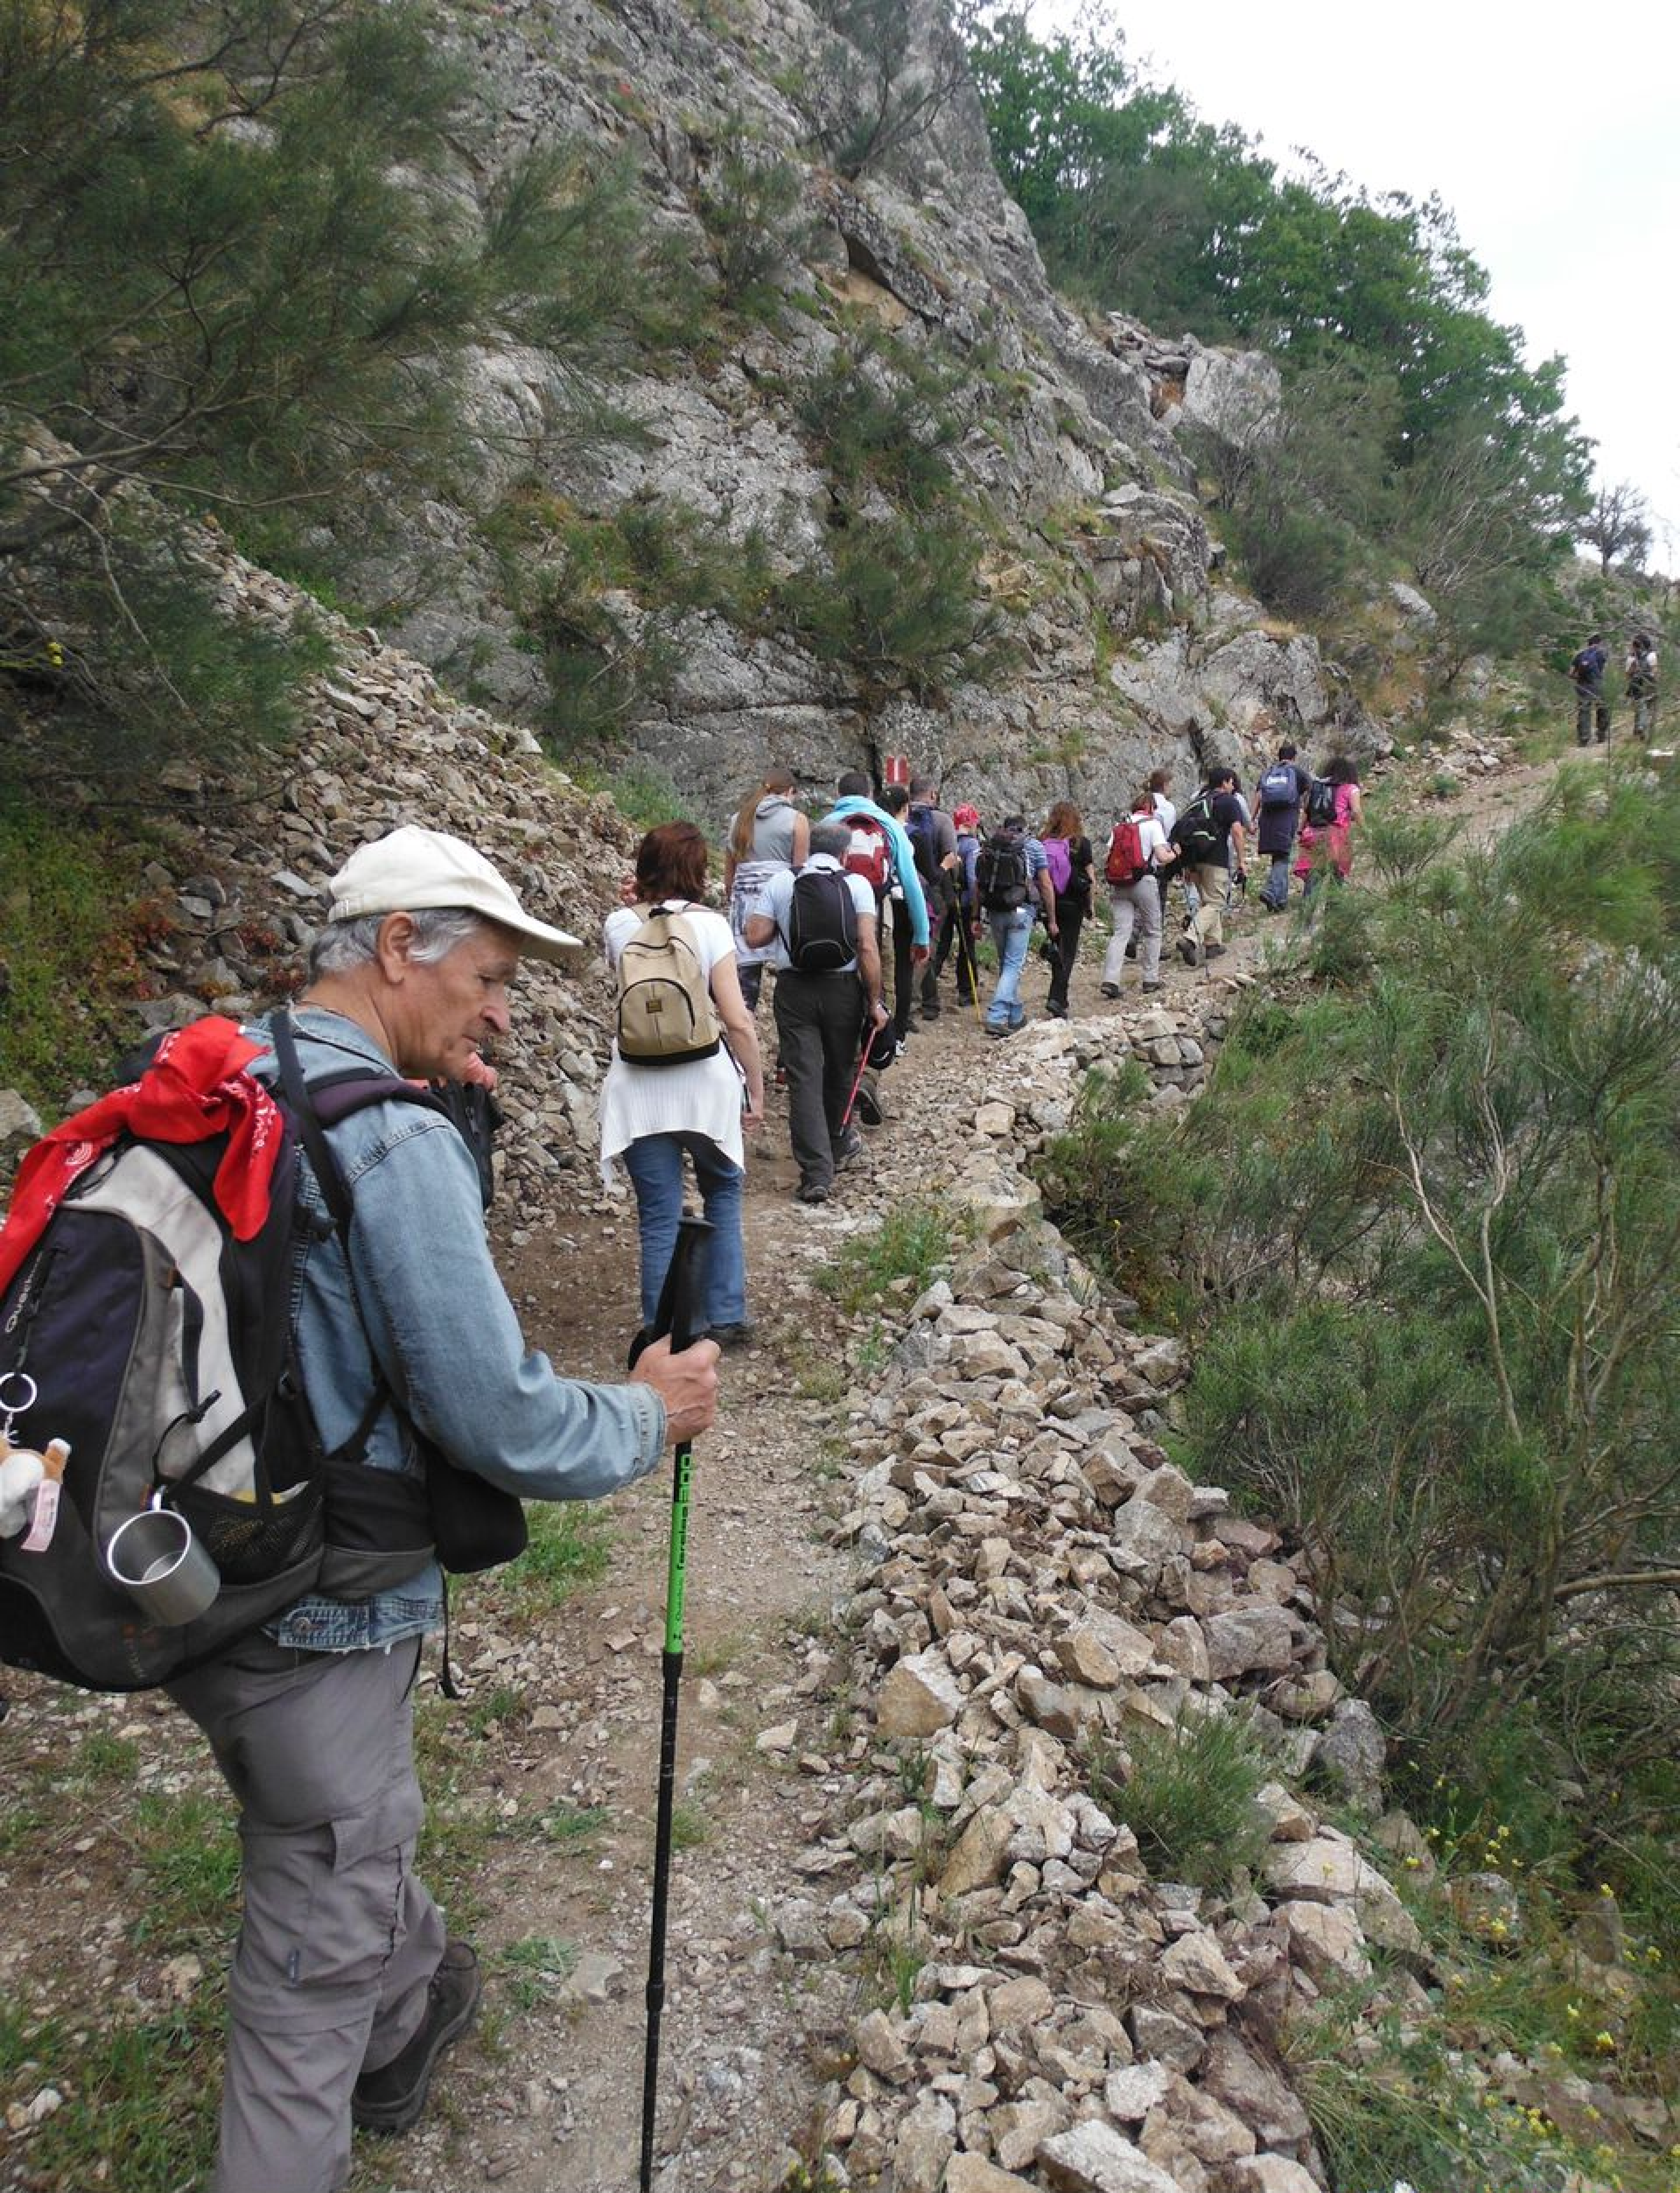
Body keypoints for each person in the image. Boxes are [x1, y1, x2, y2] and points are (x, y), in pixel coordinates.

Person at [165, 824, 718, 2193]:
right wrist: (648, 1411)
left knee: (331, 1823)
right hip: (317, 1601)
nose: (504, 1012)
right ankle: (351, 2043)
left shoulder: (216, 1074)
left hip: (178, 1558)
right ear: (400, 944)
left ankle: (407, 1998)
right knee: (308, 1950)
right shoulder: (388, 1139)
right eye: (488, 976)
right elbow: (499, 1416)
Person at [602, 822, 765, 1351]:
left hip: (636, 1087)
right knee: (722, 1190)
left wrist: (633, 902)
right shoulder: (712, 926)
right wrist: (755, 1086)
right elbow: (736, 1020)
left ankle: (665, 1329)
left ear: (643, 866)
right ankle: (726, 1317)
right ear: (697, 870)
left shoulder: (618, 924)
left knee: (659, 1214)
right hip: (705, 1084)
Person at [743, 821, 887, 1205]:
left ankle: (815, 1174)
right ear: (845, 854)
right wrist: (874, 1002)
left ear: (808, 850)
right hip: (843, 990)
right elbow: (867, 947)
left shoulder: (782, 882)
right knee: (840, 1071)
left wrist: (782, 923)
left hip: (795, 989)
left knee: (804, 1077)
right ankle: (837, 1145)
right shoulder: (858, 886)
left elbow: (755, 936)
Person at [722, 768, 808, 1012]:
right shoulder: (797, 820)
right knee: (787, 965)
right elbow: (799, 870)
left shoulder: (738, 820)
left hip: (744, 902)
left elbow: (730, 875)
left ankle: (744, 1022)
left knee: (746, 979)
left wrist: (734, 899)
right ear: (790, 792)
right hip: (781, 900)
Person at [974, 813, 1056, 1037]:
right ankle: (997, 1016)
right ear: (1024, 828)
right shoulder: (1034, 847)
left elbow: (978, 885)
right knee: (1013, 966)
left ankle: (1016, 1015)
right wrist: (1052, 919)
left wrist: (975, 917)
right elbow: (1046, 884)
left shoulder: (992, 846)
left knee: (1007, 965)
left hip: (995, 911)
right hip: (1022, 911)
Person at [1100, 788, 1171, 995]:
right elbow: (1161, 857)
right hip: (1144, 882)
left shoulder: (1120, 827)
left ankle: (1111, 980)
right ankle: (1150, 979)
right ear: (1150, 808)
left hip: (1120, 883)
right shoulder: (1153, 824)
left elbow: (1108, 855)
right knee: (1153, 930)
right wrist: (1174, 855)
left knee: (1121, 932)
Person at [1172, 767, 1246, 966]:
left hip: (1194, 859)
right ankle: (1190, 938)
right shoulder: (1229, 802)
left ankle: (1213, 944)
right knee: (1217, 903)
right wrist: (1242, 862)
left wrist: (1188, 867)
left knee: (1208, 901)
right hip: (1216, 859)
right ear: (1225, 782)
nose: (1233, 787)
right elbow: (1237, 832)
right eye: (1231, 783)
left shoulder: (1196, 803)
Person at [906, 775, 961, 1020]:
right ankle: (910, 1002)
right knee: (928, 944)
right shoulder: (942, 820)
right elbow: (952, 858)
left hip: (905, 887)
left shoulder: (902, 817)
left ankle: (931, 1001)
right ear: (932, 795)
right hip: (935, 891)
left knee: (912, 941)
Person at [1039, 799, 1095, 1018]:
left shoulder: (1042, 842)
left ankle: (1060, 997)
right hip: (1074, 904)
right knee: (1068, 952)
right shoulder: (1081, 844)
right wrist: (1090, 904)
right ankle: (1057, 998)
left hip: (1050, 903)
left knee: (1056, 948)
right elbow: (1090, 878)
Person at [929, 802, 983, 1009]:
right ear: (970, 824)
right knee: (967, 946)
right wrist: (976, 909)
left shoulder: (946, 840)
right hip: (965, 902)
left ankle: (928, 988)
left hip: (945, 899)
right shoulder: (972, 846)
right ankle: (967, 991)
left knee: (942, 943)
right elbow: (972, 878)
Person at [879, 782, 919, 1044]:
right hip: (902, 904)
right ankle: (898, 1034)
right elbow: (914, 881)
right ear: (905, 807)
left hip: (875, 902)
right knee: (903, 968)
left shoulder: (873, 828)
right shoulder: (904, 834)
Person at [1253, 740, 1311, 911]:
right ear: (1294, 757)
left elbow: (1258, 796)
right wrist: (1307, 816)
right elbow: (1310, 792)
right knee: (1283, 857)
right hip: (1287, 820)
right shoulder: (1297, 772)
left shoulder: (1269, 773)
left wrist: (1251, 820)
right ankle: (1271, 891)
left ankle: (1280, 901)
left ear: (1279, 757)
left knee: (1278, 857)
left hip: (1267, 821)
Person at [1295, 755, 1364, 894]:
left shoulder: (1317, 788)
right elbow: (1357, 811)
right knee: (1336, 875)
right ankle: (1333, 906)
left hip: (1313, 833)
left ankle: (1308, 906)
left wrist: (1301, 831)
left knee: (1314, 875)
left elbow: (1307, 811)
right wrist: (1365, 831)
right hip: (1337, 837)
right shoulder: (1351, 789)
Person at [1571, 631, 1610, 746]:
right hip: (1598, 685)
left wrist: (1578, 677)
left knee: (1584, 711)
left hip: (1583, 686)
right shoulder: (1602, 654)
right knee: (1602, 709)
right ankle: (1601, 735)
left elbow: (1571, 673)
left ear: (1588, 643)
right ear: (1600, 643)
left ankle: (1584, 737)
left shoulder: (1580, 655)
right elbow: (1604, 671)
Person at [1626, 631, 1659, 742]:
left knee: (1640, 707)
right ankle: (1642, 728)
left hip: (1636, 685)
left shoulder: (1632, 657)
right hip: (1649, 684)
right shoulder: (1652, 655)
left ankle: (1638, 729)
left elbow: (1628, 674)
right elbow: (1655, 671)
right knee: (1646, 708)